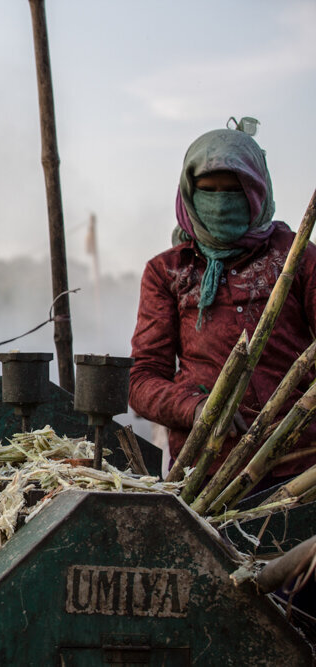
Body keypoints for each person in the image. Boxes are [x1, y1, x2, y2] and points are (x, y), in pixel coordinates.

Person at [129, 127, 316, 485]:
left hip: (300, 471)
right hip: (206, 475)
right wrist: (197, 408)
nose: (219, 202)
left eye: (233, 190)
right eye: (208, 190)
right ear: (188, 193)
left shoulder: (298, 258)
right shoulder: (167, 271)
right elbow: (142, 381)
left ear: (257, 191)